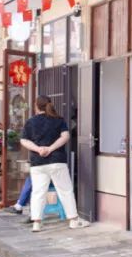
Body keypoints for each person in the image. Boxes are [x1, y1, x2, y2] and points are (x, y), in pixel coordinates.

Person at [20, 95, 89, 233]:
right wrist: (50, 149)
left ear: (36, 106)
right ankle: (73, 220)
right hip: (57, 161)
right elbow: (65, 136)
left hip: (38, 162)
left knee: (38, 192)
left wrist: (39, 149)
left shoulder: (30, 122)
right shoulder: (58, 120)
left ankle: (36, 223)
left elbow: (24, 140)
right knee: (65, 190)